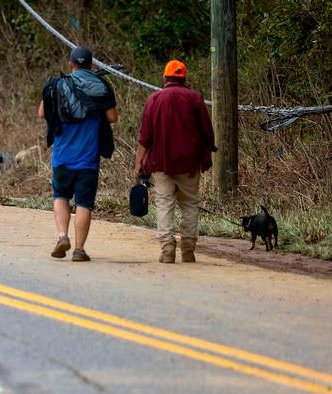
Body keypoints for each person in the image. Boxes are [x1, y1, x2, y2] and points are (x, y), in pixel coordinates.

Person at [38, 46, 118, 262]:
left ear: (70, 65)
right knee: (84, 203)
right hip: (88, 159)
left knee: (60, 197)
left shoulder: (56, 85)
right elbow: (112, 117)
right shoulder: (101, 85)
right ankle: (79, 250)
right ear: (91, 65)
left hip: (62, 157)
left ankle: (62, 236)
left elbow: (41, 113)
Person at [133, 60, 216, 263]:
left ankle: (167, 248)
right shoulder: (195, 98)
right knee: (189, 205)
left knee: (164, 204)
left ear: (165, 78)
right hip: (189, 164)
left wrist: (139, 162)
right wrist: (208, 152)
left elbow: (146, 136)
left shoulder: (155, 99)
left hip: (161, 164)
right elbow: (207, 131)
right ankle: (188, 250)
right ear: (184, 78)